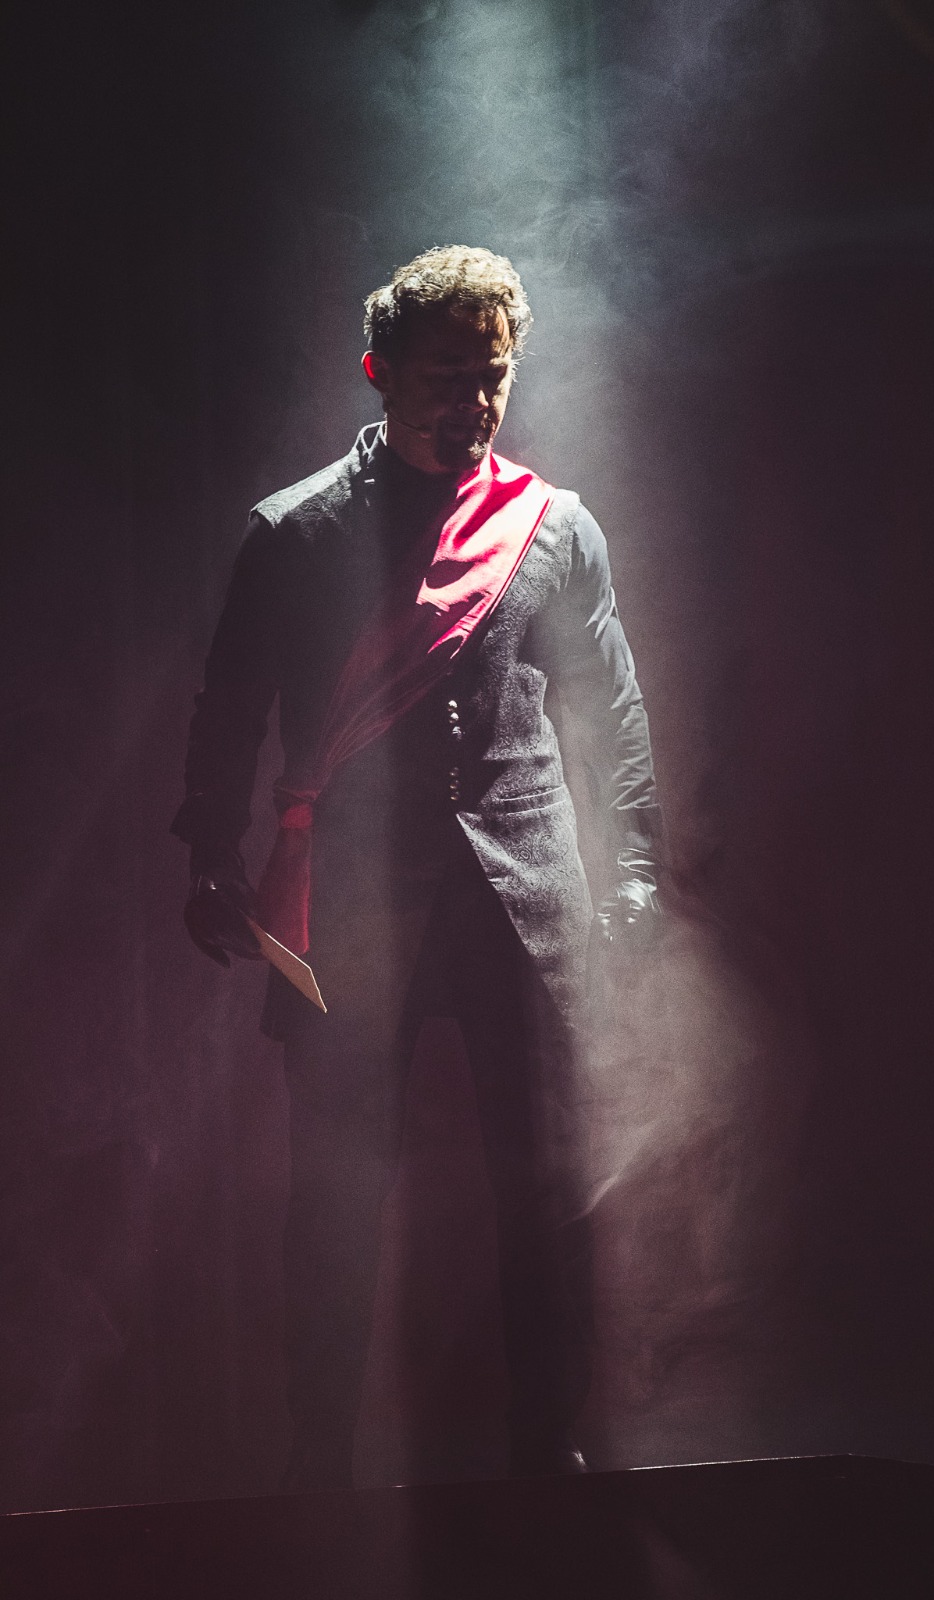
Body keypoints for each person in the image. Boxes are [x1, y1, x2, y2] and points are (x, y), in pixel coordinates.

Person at [172, 246, 662, 1488]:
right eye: (447, 376)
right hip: (347, 909)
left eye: (491, 377)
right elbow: (228, 712)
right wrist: (210, 852)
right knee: (334, 1196)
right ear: (378, 370)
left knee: (545, 1182)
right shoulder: (293, 532)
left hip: (528, 896)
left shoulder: (554, 529)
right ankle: (317, 1456)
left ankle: (549, 1444)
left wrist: (633, 876)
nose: (473, 402)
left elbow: (610, 710)